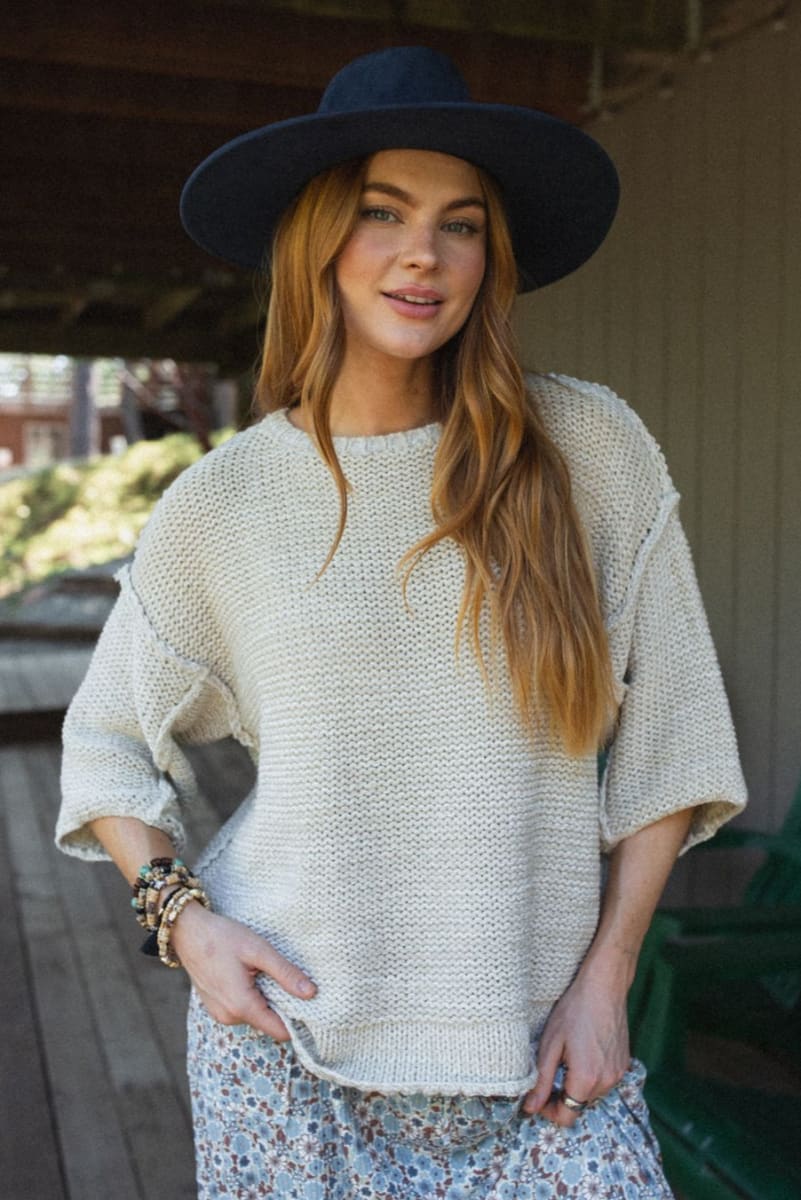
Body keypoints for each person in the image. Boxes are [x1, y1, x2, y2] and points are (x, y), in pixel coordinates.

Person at [57, 46, 747, 1200]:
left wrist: (607, 979)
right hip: (290, 1058)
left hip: (541, 1065)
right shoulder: (225, 504)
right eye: (383, 213)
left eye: (459, 224)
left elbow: (672, 736)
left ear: (490, 257)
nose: (423, 253)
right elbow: (106, 741)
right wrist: (181, 923)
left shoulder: (589, 453)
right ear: (318, 242)